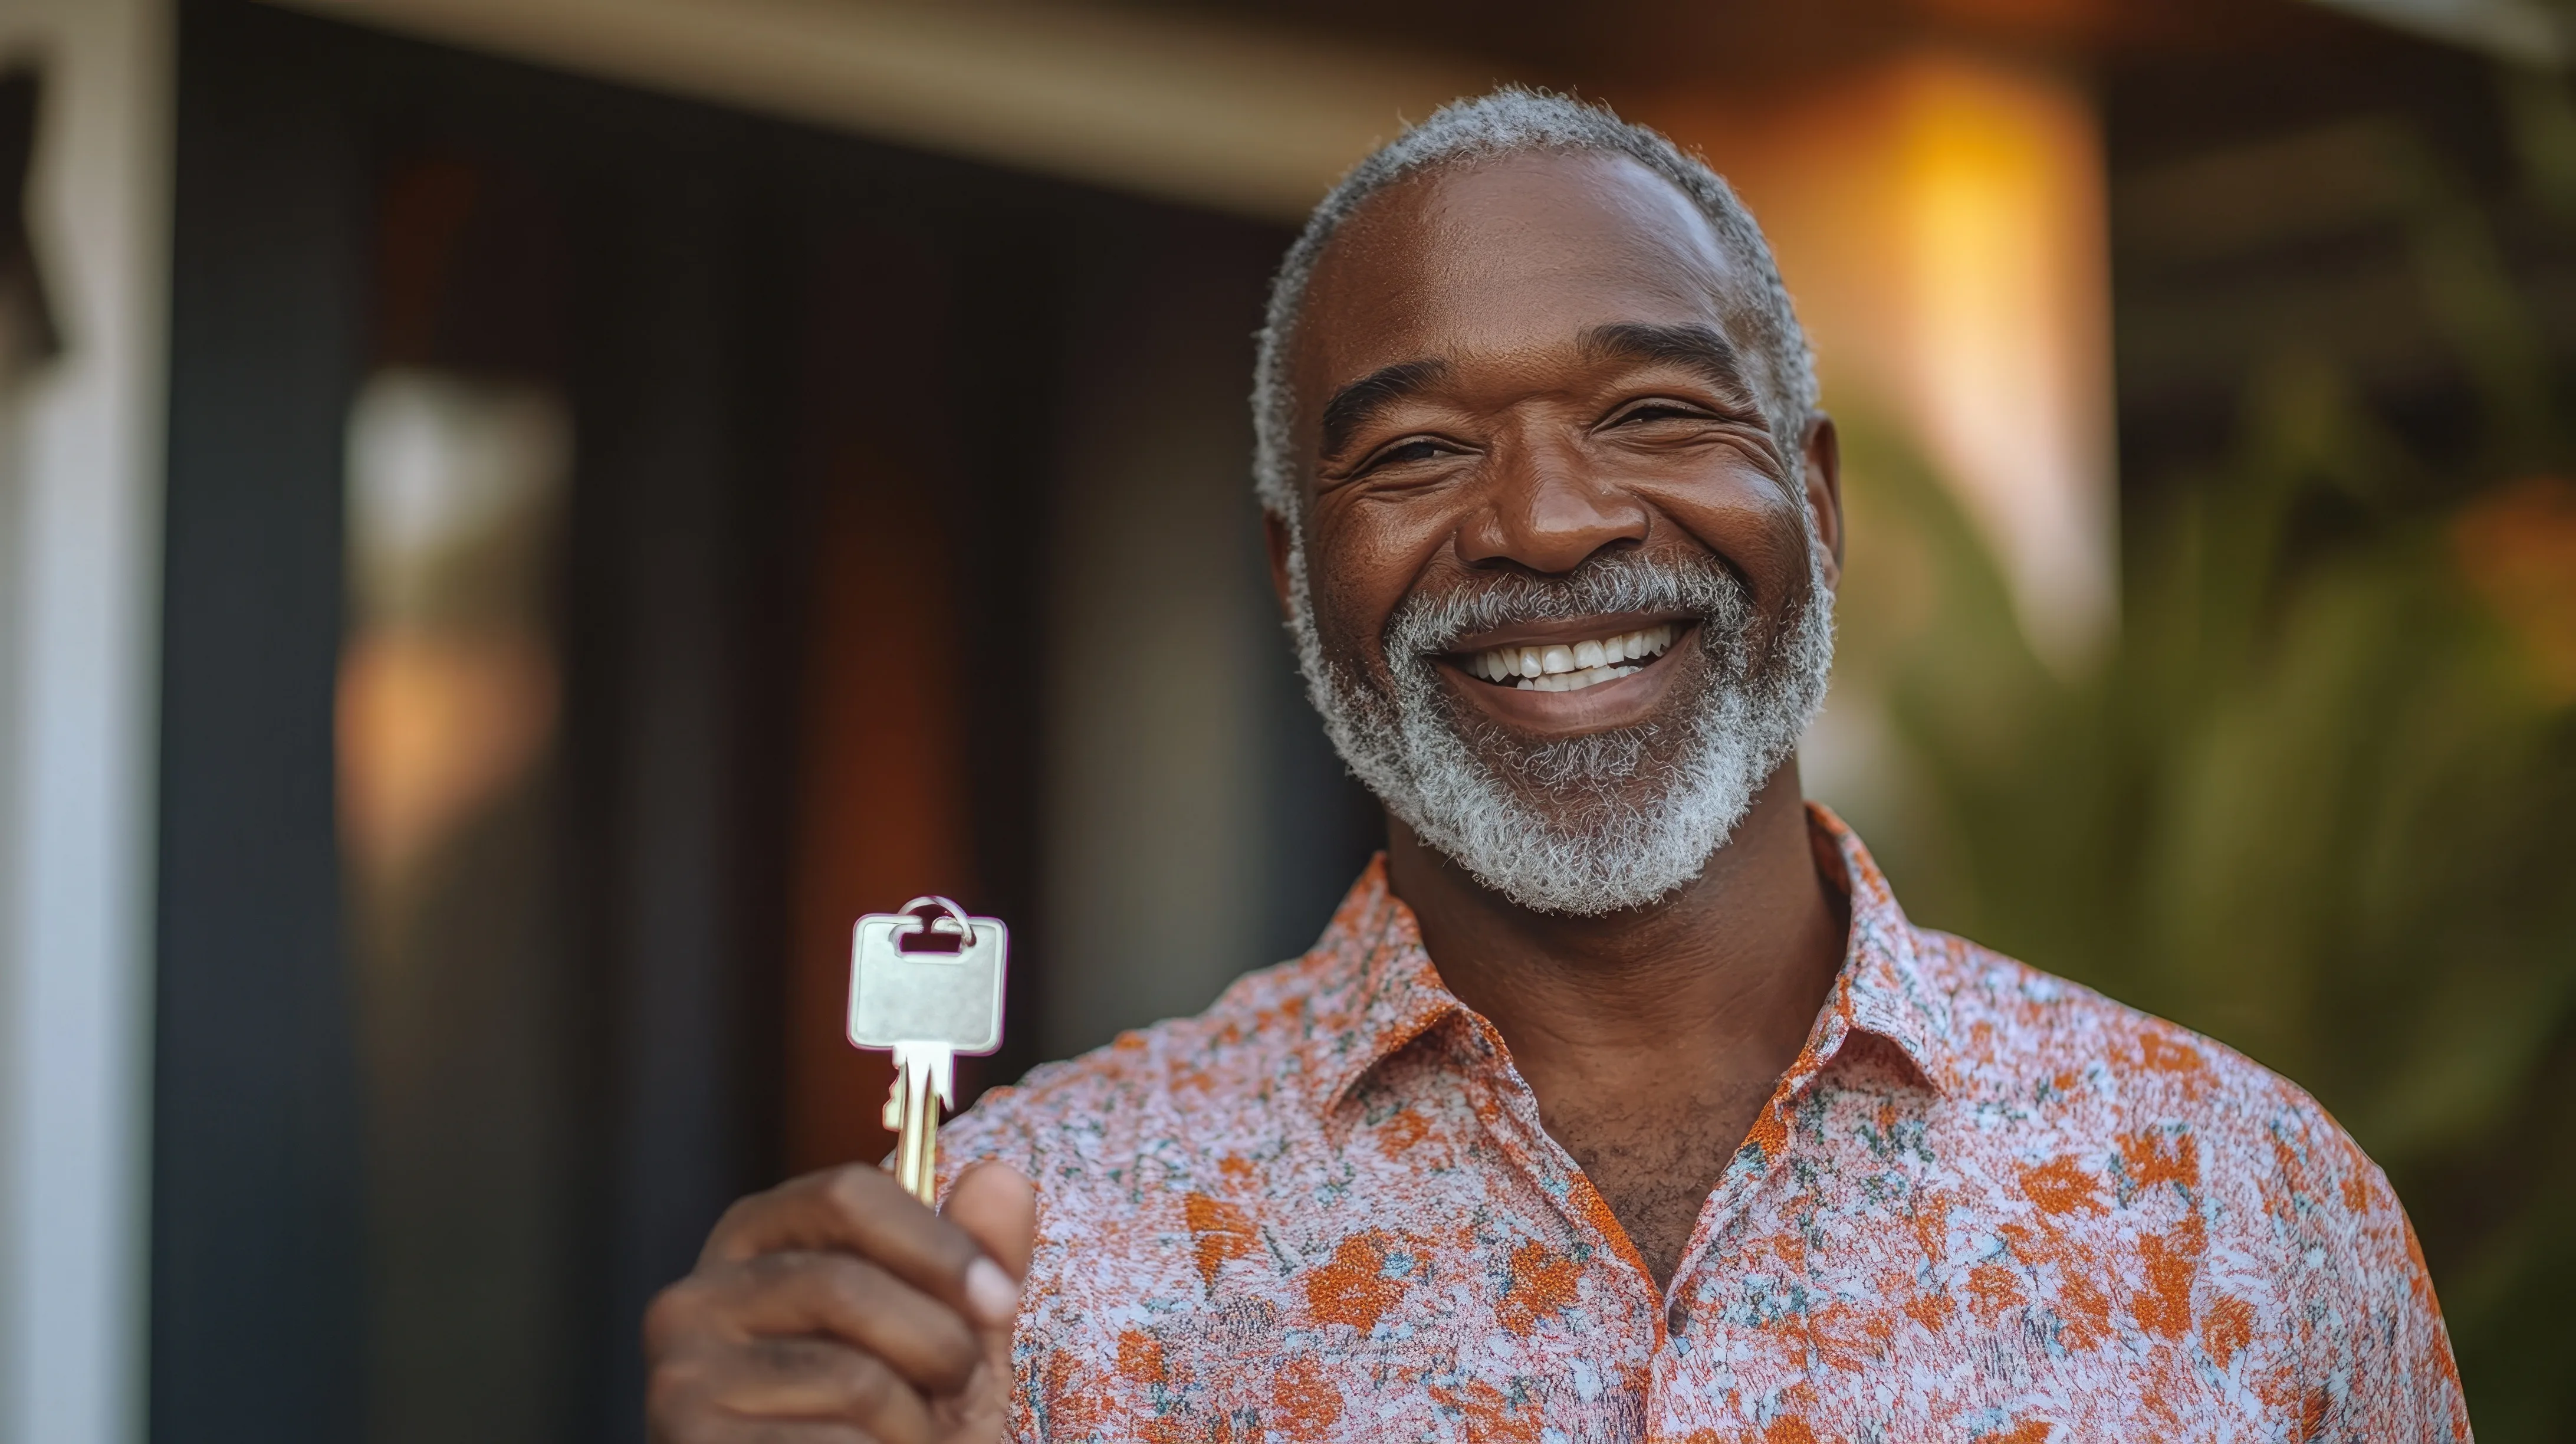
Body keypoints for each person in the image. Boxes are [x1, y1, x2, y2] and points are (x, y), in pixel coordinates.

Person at [644, 89, 2469, 1443]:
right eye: (1418, 452)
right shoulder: (1004, 1270)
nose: (1546, 520)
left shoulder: (2246, 1214)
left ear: (1813, 506)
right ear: (1305, 579)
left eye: (1655, 413)